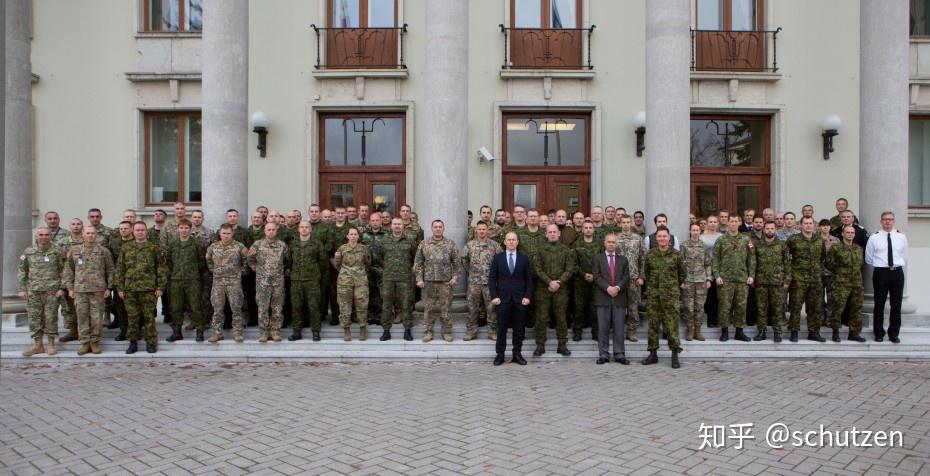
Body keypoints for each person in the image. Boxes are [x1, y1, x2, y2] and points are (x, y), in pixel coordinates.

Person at [116, 222, 167, 354]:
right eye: (137, 230)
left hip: (149, 289)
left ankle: (151, 342)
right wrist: (120, 288)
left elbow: (161, 268)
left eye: (142, 230)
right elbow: (120, 269)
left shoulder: (154, 247)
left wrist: (160, 287)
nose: (140, 232)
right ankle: (133, 342)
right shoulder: (125, 247)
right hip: (130, 289)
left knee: (149, 317)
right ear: (133, 231)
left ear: (146, 231)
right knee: (132, 317)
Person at [63, 227, 114, 355]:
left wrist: (109, 287)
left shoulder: (103, 251)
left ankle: (95, 342)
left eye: (93, 233)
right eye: (88, 233)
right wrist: (70, 288)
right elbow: (68, 271)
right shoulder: (74, 251)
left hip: (98, 290)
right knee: (82, 316)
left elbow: (110, 270)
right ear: (83, 235)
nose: (90, 235)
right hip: (80, 290)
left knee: (97, 317)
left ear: (96, 235)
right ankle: (85, 342)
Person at [17, 228, 66, 357]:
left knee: (51, 317)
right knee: (34, 318)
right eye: (41, 235)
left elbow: (64, 271)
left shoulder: (57, 251)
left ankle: (51, 344)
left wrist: (62, 288)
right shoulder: (28, 252)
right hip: (33, 290)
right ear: (36, 236)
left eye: (46, 235)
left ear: (50, 236)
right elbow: (22, 271)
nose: (43, 237)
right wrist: (22, 289)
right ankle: (38, 345)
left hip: (52, 291)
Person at [641, 227, 685, 368]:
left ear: (669, 238)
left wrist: (672, 287)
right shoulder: (650, 255)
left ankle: (674, 355)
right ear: (656, 238)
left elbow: (682, 274)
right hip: (654, 296)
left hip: (671, 296)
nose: (662, 239)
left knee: (672, 326)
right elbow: (647, 272)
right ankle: (653, 354)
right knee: (653, 325)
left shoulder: (677, 255)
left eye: (664, 236)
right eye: (659, 236)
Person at [531, 224, 576, 357]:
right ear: (546, 234)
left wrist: (559, 282)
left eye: (554, 232)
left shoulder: (566, 250)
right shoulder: (540, 250)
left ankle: (562, 344)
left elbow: (570, 269)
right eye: (549, 232)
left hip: (560, 290)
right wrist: (549, 282)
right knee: (541, 318)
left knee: (561, 318)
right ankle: (540, 345)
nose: (552, 234)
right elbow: (537, 269)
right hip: (543, 290)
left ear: (558, 234)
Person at [489, 232, 533, 365]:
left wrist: (527, 296)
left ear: (518, 242)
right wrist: (494, 296)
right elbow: (492, 279)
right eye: (509, 240)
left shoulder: (524, 258)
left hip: (520, 299)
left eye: (514, 240)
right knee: (501, 328)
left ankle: (517, 354)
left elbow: (529, 280)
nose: (511, 242)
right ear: (505, 242)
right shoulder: (498, 258)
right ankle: (500, 355)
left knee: (518, 329)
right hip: (502, 299)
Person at [414, 220, 462, 342]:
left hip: (445, 283)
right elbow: (418, 263)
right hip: (428, 282)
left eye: (440, 227)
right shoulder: (424, 244)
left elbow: (457, 262)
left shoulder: (450, 244)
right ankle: (428, 332)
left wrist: (455, 277)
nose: (438, 229)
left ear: (443, 229)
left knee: (446, 309)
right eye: (435, 227)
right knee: (428, 309)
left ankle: (446, 332)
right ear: (432, 228)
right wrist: (419, 279)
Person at [865, 211, 908, 343]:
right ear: (881, 221)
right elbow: (869, 257)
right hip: (881, 272)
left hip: (897, 272)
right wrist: (881, 265)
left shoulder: (901, 236)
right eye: (885, 219)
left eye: (890, 219)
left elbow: (904, 255)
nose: (887, 221)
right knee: (879, 303)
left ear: (893, 221)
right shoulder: (874, 237)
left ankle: (894, 333)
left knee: (896, 304)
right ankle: (878, 333)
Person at [713, 215, 755, 342]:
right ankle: (724, 331)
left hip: (742, 279)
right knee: (725, 306)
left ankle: (739, 332)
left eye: (736, 221)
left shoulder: (746, 239)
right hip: (725, 279)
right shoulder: (721, 239)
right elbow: (715, 258)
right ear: (728, 223)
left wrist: (751, 275)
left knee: (741, 306)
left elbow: (752, 259)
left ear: (739, 223)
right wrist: (717, 275)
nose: (733, 224)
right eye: (731, 221)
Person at [164, 219, 206, 342]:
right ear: (178, 229)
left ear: (190, 229)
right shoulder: (172, 243)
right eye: (181, 228)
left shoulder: (197, 243)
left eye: (186, 228)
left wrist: (193, 271)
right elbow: (169, 261)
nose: (184, 230)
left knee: (196, 306)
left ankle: (200, 331)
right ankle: (176, 332)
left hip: (192, 279)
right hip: (176, 279)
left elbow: (201, 261)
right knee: (176, 307)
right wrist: (174, 272)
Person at [786, 216, 828, 343]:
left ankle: (814, 332)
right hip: (798, 279)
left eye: (810, 223)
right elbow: (787, 258)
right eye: (806, 223)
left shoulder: (819, 240)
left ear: (814, 225)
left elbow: (822, 258)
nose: (808, 225)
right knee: (796, 306)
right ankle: (794, 331)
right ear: (801, 225)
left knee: (815, 307)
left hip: (815, 279)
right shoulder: (793, 240)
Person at [592, 233, 630, 365]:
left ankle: (619, 354)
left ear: (617, 244)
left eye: (614, 242)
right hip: (603, 297)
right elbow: (596, 277)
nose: (611, 244)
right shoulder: (597, 259)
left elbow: (626, 277)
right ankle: (603, 354)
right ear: (604, 243)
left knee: (619, 328)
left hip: (619, 297)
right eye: (609, 242)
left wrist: (617, 288)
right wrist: (608, 288)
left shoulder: (623, 260)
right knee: (603, 328)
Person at [206, 224, 249, 343]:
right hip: (218, 282)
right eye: (224, 233)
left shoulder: (239, 246)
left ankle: (238, 332)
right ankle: (217, 333)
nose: (226, 236)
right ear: (220, 233)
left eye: (228, 233)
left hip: (234, 282)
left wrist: (241, 272)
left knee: (236, 308)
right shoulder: (213, 247)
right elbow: (208, 260)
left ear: (232, 233)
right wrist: (214, 271)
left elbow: (247, 260)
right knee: (217, 308)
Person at [248, 222, 289, 343]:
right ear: (264, 231)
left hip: (278, 281)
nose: (271, 232)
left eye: (273, 230)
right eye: (268, 229)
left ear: (276, 231)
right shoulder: (257, 244)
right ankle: (264, 332)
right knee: (263, 307)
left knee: (277, 306)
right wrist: (258, 270)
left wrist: (280, 270)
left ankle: (275, 331)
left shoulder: (282, 245)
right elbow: (250, 259)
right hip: (262, 282)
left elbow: (287, 260)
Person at [288, 221, 328, 342]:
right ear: (298, 229)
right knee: (296, 307)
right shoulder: (293, 244)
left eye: (306, 227)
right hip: (296, 280)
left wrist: (314, 272)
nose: (304, 229)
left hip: (312, 280)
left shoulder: (317, 243)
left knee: (314, 306)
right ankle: (296, 331)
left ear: (311, 229)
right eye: (302, 227)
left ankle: (316, 331)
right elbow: (290, 261)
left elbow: (322, 261)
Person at [462, 222, 502, 341]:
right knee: (472, 308)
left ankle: (492, 332)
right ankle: (471, 331)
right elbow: (464, 260)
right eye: (479, 229)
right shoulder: (469, 245)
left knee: (492, 309)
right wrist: (471, 272)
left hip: (490, 283)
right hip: (474, 283)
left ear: (487, 231)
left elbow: (501, 261)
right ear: (476, 231)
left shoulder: (495, 245)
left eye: (484, 229)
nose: (482, 231)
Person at [827, 225, 867, 343]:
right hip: (841, 283)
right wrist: (840, 272)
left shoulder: (858, 249)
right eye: (848, 232)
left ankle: (854, 333)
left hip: (857, 283)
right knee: (838, 308)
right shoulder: (836, 248)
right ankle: (835, 332)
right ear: (843, 234)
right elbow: (829, 264)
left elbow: (861, 264)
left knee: (856, 308)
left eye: (852, 232)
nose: (850, 234)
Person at [380, 217, 418, 341]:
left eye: (399, 224)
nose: (397, 226)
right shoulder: (385, 240)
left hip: (405, 278)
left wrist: (411, 269)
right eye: (395, 224)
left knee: (406, 304)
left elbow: (415, 257)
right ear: (391, 226)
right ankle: (386, 330)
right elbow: (380, 258)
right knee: (386, 304)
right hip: (388, 277)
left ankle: (407, 330)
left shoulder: (410, 240)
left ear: (403, 226)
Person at [753, 221, 790, 342]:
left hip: (777, 282)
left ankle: (777, 332)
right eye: (767, 228)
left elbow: (787, 263)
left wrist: (787, 280)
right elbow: (753, 262)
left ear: (775, 230)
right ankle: (762, 331)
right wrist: (752, 277)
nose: (769, 230)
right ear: (764, 230)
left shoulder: (782, 245)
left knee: (777, 308)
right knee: (761, 308)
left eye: (772, 228)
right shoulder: (758, 245)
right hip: (761, 281)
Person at [334, 228, 371, 341]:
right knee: (344, 305)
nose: (353, 236)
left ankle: (363, 328)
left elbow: (367, 262)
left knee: (362, 304)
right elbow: (337, 264)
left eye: (355, 234)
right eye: (351, 234)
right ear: (347, 236)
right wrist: (347, 273)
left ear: (358, 237)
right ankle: (346, 329)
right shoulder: (342, 249)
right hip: (345, 281)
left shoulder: (363, 249)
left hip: (360, 281)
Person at [680, 223, 711, 341]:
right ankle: (689, 330)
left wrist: (708, 279)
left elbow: (708, 264)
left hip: (701, 281)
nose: (695, 232)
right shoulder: (684, 246)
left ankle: (698, 331)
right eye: (693, 230)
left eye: (697, 230)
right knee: (688, 307)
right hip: (688, 281)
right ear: (690, 231)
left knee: (700, 307)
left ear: (700, 231)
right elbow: (680, 265)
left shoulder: (704, 246)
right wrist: (681, 280)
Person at [572, 221, 602, 341]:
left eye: (590, 227)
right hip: (580, 281)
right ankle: (577, 332)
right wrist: (584, 274)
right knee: (578, 308)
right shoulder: (576, 244)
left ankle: (596, 333)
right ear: (582, 230)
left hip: (596, 282)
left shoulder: (600, 244)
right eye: (586, 227)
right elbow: (573, 263)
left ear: (593, 229)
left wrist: (594, 275)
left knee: (595, 309)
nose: (588, 229)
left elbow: (602, 262)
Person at [617, 215, 645, 341]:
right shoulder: (615, 238)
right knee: (618, 307)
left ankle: (632, 331)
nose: (626, 224)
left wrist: (642, 276)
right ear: (620, 224)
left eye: (628, 222)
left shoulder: (638, 238)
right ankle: (618, 331)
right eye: (623, 222)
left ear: (631, 223)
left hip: (634, 278)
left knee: (633, 307)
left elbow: (643, 259)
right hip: (618, 279)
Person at [701, 215, 722, 328]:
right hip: (707, 269)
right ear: (707, 223)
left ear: (717, 224)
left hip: (719, 269)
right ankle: (710, 318)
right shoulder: (702, 237)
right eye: (711, 222)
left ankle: (717, 317)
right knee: (709, 295)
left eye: (715, 222)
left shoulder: (722, 237)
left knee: (718, 295)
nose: (713, 224)